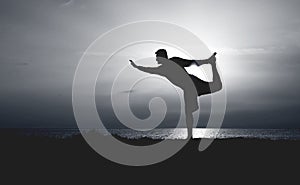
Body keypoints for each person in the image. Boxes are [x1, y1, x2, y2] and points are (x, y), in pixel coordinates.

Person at [130, 49, 222, 138]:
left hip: (192, 84)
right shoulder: (163, 69)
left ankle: (212, 64)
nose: (156, 59)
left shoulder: (173, 62)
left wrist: (207, 61)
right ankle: (190, 136)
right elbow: (150, 70)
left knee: (216, 88)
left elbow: (191, 62)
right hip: (189, 88)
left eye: (157, 57)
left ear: (162, 57)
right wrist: (137, 66)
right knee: (189, 111)